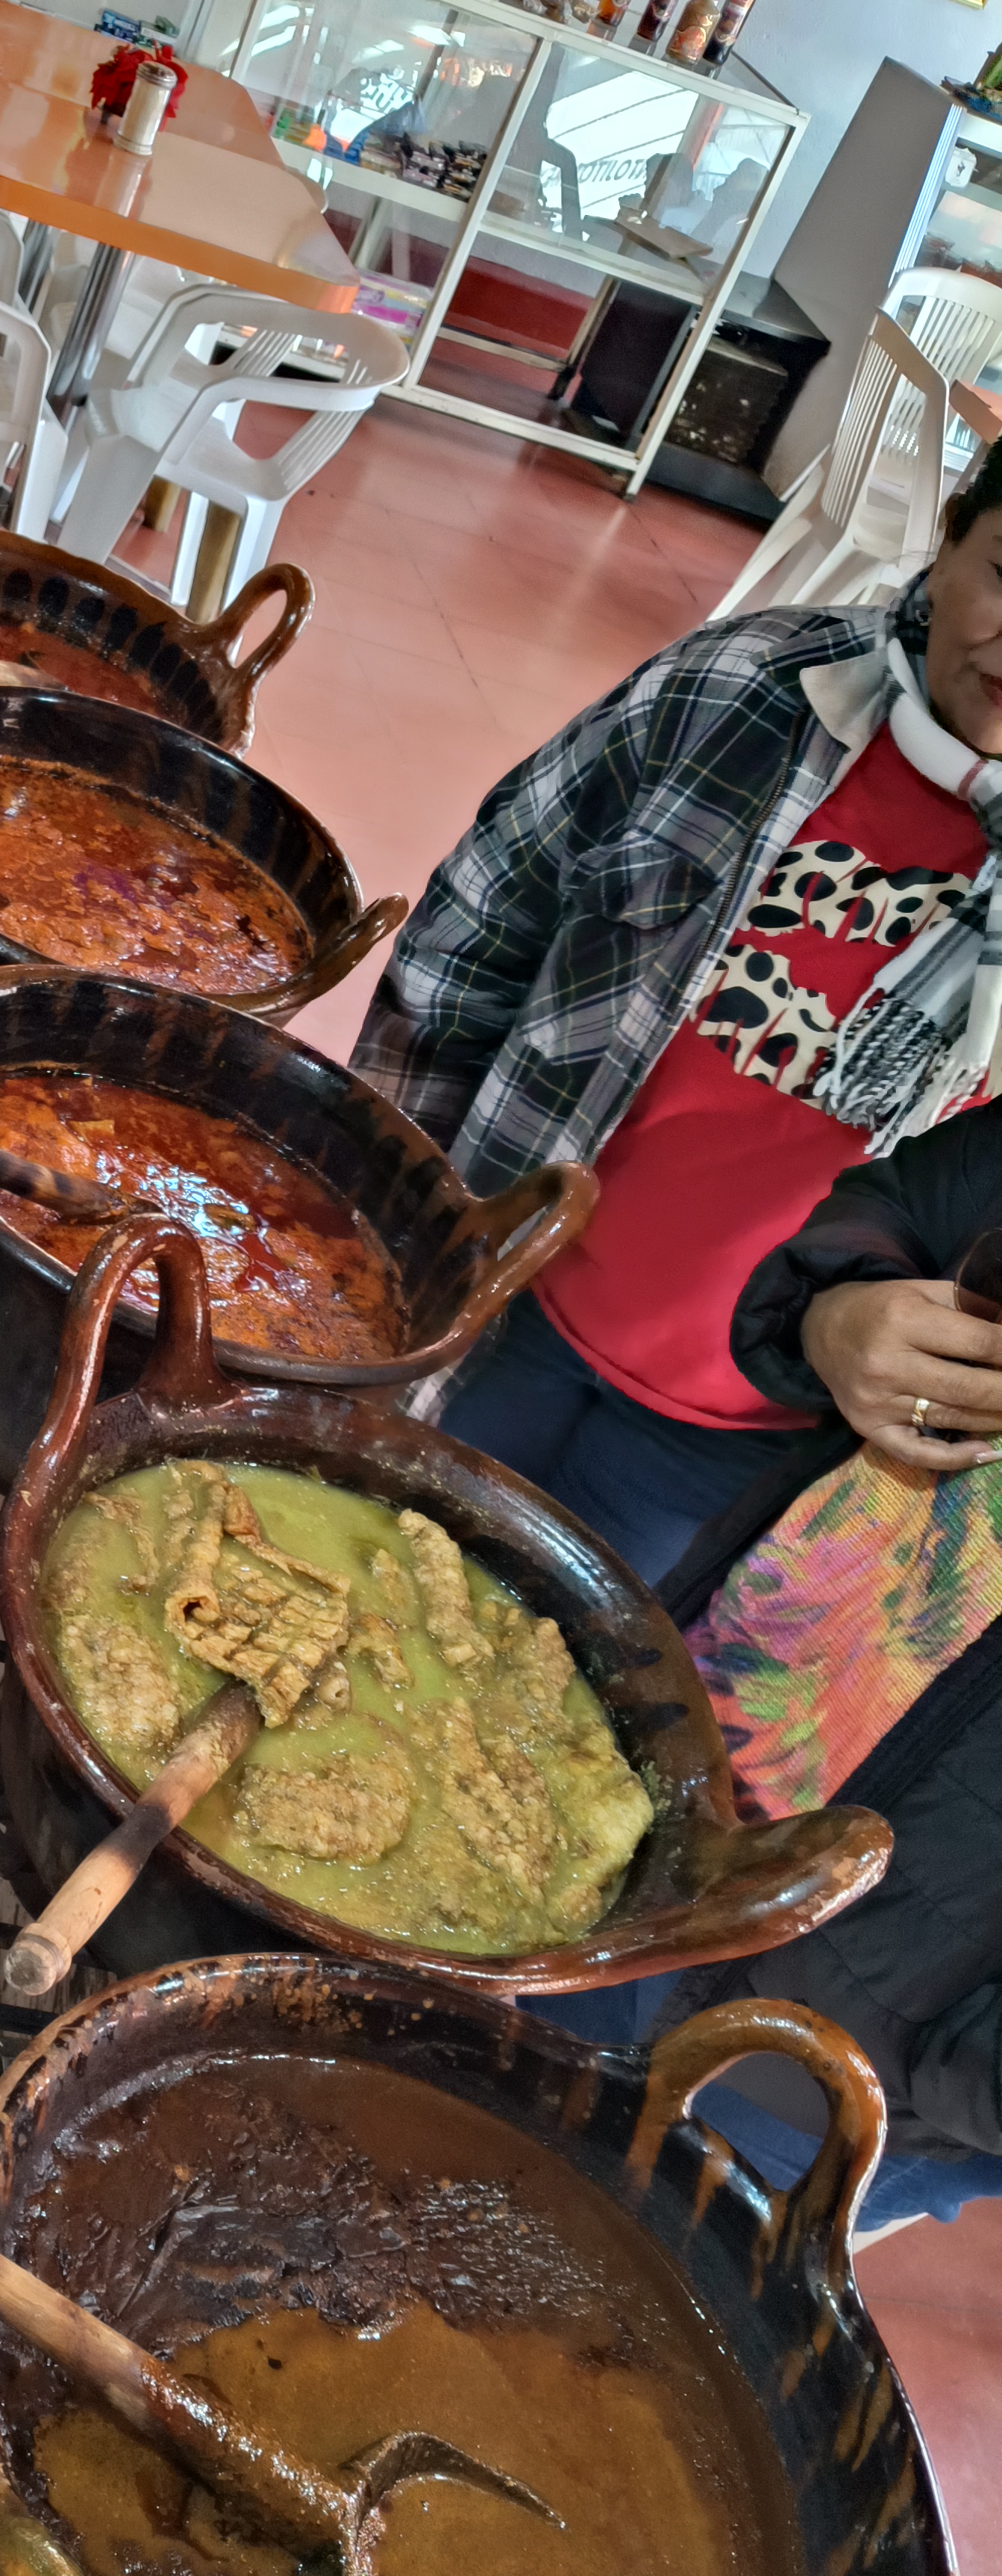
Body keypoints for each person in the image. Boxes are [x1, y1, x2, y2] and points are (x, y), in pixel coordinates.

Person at [356, 451, 1002, 1587]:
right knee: (362, 1552)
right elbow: (476, 933)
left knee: (536, 1680)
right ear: (950, 535)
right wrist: (393, 1211)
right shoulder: (740, 693)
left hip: (745, 1428)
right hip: (507, 1287)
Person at [553, 1105, 1002, 2229]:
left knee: (594, 2280)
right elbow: (903, 1206)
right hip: (656, 1768)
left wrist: (909, 2045)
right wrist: (840, 1311)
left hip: (840, 2056)